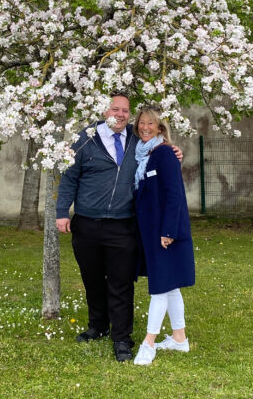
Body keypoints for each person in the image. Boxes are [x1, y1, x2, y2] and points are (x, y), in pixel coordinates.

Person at [55, 92, 182, 362]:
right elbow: (69, 176)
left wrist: (174, 152)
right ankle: (97, 326)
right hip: (87, 223)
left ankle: (122, 338)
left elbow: (159, 152)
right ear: (105, 111)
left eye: (125, 111)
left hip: (123, 225)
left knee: (121, 283)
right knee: (92, 279)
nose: (121, 115)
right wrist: (61, 212)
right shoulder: (85, 137)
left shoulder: (139, 141)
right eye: (116, 109)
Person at [130, 105, 195, 366]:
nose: (145, 128)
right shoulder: (143, 155)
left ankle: (149, 343)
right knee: (170, 286)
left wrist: (168, 231)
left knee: (159, 287)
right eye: (142, 124)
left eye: (151, 124)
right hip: (151, 232)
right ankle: (180, 339)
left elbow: (175, 194)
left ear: (160, 128)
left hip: (165, 233)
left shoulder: (165, 153)